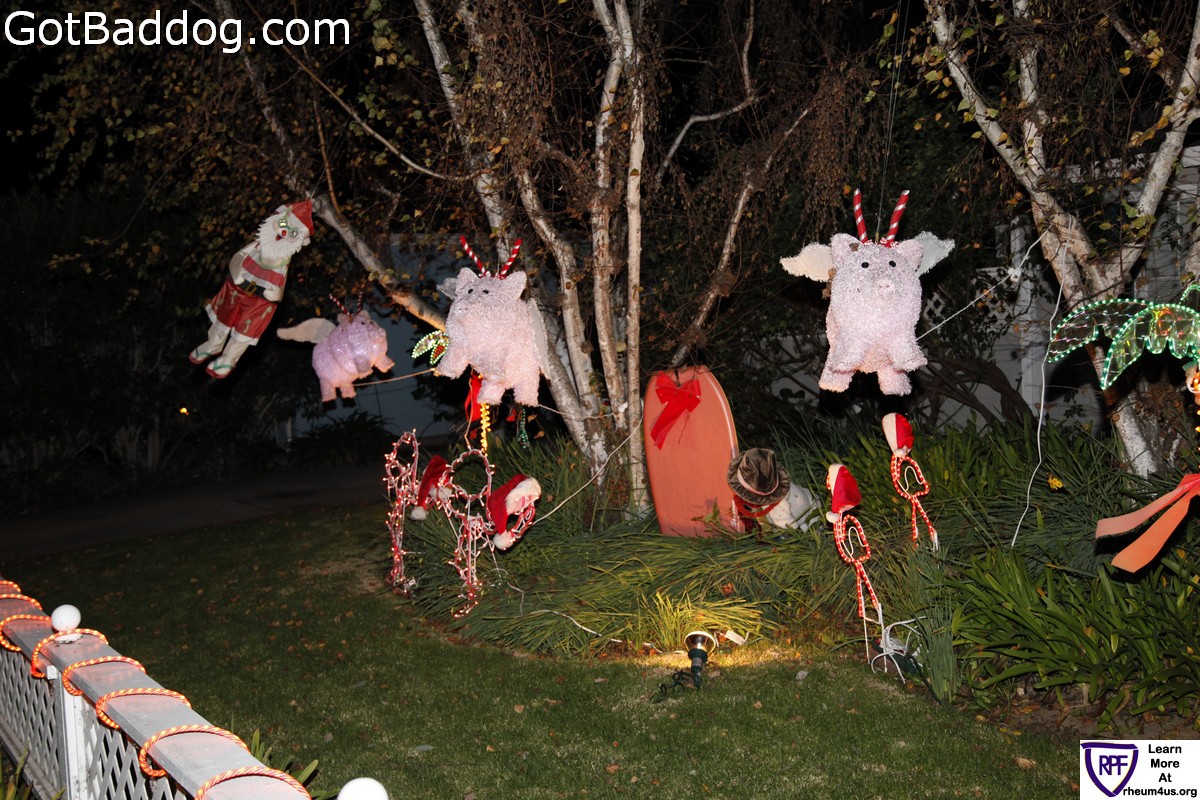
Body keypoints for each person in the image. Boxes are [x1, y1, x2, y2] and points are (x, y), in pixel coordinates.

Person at [188, 200, 314, 378]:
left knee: (246, 327)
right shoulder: (257, 246)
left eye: (292, 232)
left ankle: (228, 358)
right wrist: (237, 274)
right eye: (282, 224)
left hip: (261, 299)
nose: (283, 232)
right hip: (238, 286)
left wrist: (271, 294)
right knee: (224, 315)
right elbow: (238, 257)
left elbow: (279, 284)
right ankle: (213, 344)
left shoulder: (282, 260)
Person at [727, 448, 818, 533]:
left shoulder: (777, 507)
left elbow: (789, 528)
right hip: (806, 496)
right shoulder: (773, 480)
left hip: (807, 518)